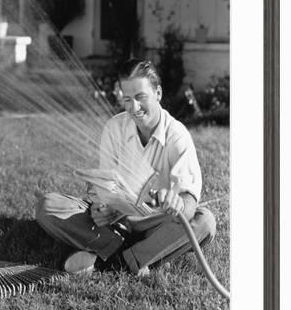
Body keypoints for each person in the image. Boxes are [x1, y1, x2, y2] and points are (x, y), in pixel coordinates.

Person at [35, 59, 216, 276]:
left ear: (158, 93)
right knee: (47, 205)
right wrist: (100, 209)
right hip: (116, 223)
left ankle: (111, 261)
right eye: (127, 99)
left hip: (157, 224)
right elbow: (104, 189)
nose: (134, 108)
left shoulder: (177, 136)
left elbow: (188, 204)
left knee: (204, 221)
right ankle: (138, 258)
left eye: (140, 97)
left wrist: (176, 202)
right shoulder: (114, 128)